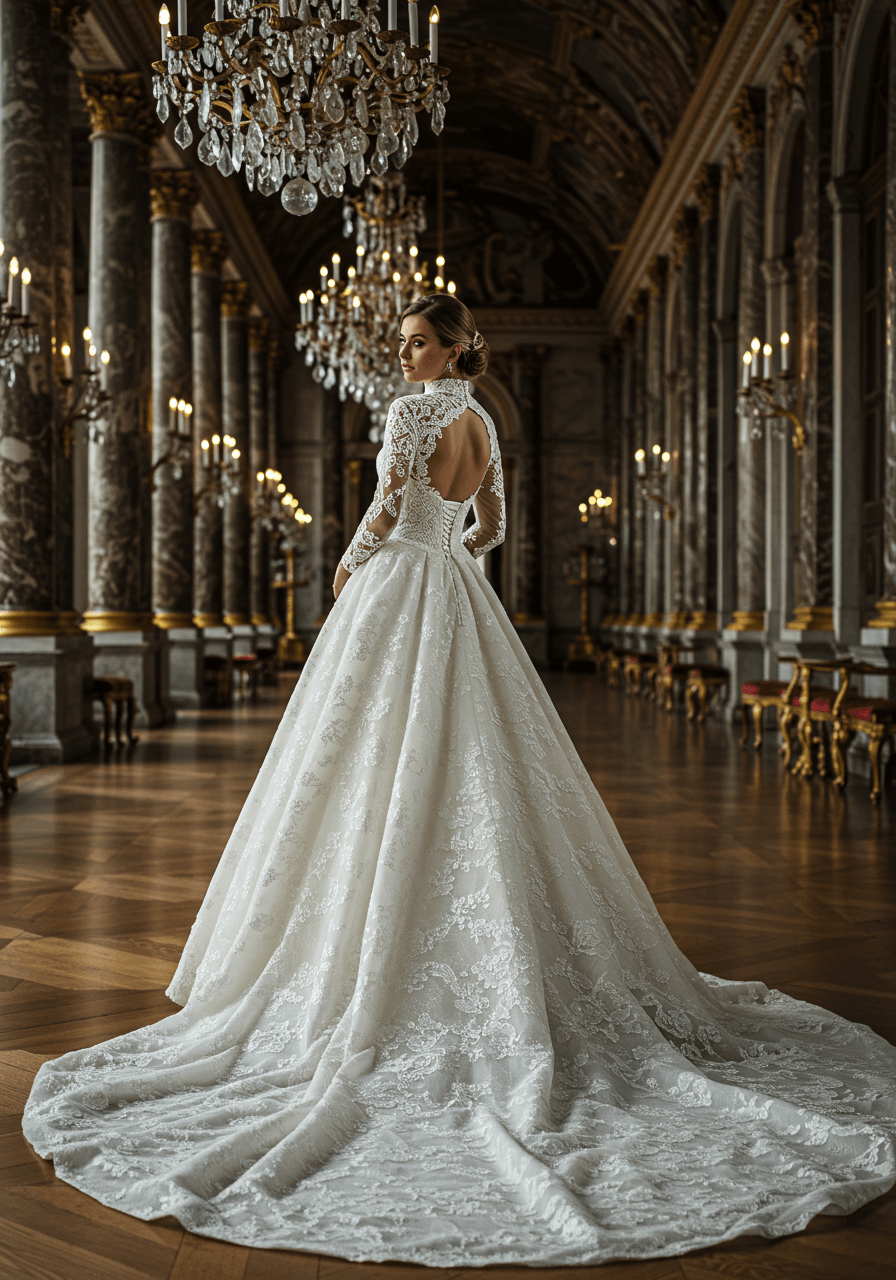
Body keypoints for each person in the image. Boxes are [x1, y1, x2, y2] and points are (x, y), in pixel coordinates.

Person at [24, 294, 896, 1267]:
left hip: (401, 587)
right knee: (477, 770)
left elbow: (385, 504)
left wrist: (352, 576)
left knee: (364, 761)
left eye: (415, 343)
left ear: (449, 347)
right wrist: (447, 551)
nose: (405, 358)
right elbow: (488, 524)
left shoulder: (417, 411)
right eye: (403, 346)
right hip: (457, 596)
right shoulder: (481, 421)